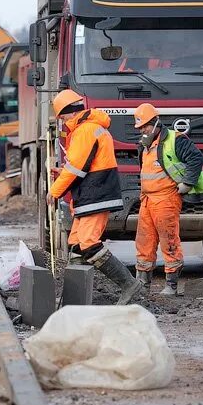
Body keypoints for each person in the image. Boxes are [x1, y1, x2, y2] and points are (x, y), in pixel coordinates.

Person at [46, 88, 142, 304]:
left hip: (96, 194)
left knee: (88, 242)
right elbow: (83, 166)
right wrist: (63, 174)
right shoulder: (90, 129)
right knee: (77, 243)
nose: (61, 122)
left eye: (61, 117)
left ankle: (129, 284)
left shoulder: (85, 131)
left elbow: (77, 169)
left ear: (68, 113)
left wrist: (54, 191)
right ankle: (75, 297)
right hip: (92, 193)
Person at [132, 103, 203, 296]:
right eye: (140, 128)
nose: (143, 130)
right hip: (148, 200)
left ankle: (171, 285)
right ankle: (141, 286)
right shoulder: (145, 145)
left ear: (156, 122)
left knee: (169, 240)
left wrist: (188, 183)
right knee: (144, 241)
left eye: (145, 126)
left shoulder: (175, 140)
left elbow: (196, 159)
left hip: (166, 198)